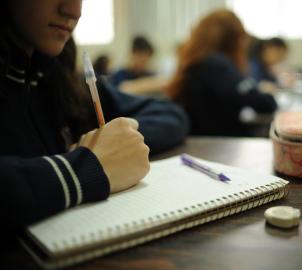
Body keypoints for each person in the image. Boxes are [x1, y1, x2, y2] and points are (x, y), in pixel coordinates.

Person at [0, 0, 188, 237]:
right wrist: (85, 167)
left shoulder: (63, 80)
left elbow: (170, 114)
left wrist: (118, 143)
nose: (74, 11)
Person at [166, 10, 278, 136]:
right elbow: (265, 104)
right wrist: (266, 93)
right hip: (219, 144)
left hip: (201, 140)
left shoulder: (196, 62)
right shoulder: (216, 64)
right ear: (234, 38)